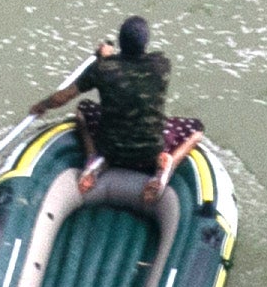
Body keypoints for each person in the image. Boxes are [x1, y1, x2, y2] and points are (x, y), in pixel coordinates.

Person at [32, 14, 184, 263]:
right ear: (145, 43)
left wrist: (40, 106)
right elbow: (132, 68)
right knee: (195, 129)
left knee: (83, 109)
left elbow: (63, 98)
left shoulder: (103, 70)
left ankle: (94, 157)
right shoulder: (161, 65)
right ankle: (166, 163)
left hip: (110, 147)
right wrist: (110, 58)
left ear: (120, 42)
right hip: (149, 150)